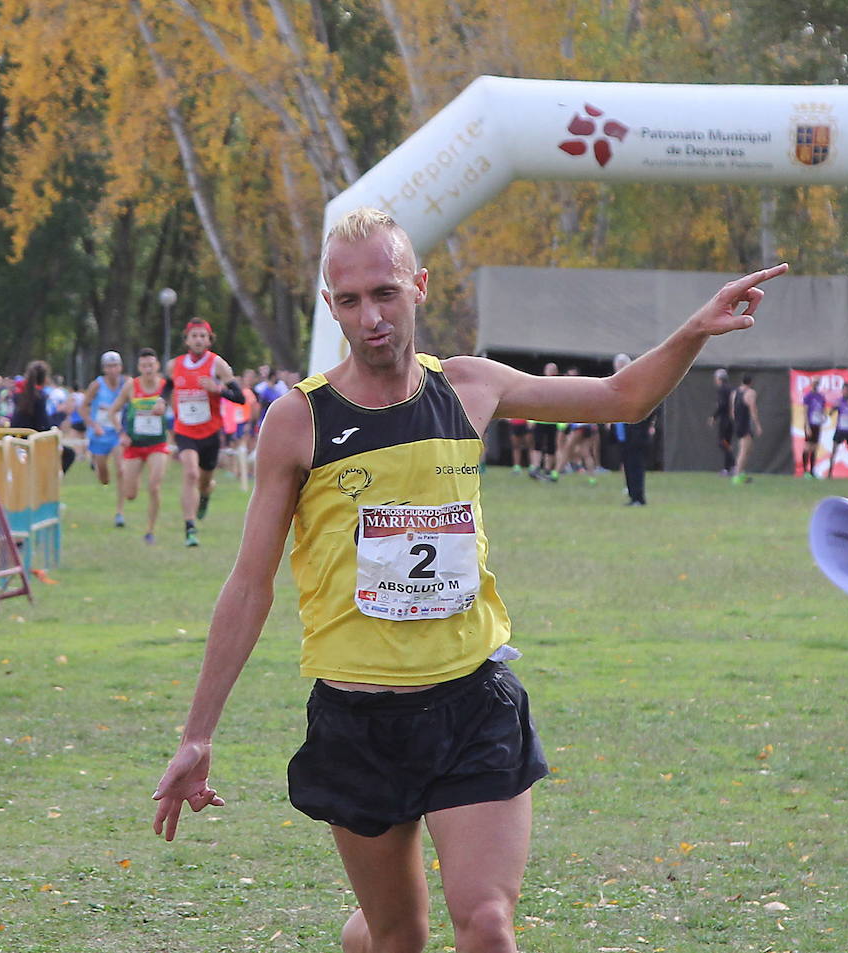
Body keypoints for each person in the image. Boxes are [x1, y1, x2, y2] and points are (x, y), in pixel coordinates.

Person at [151, 207, 787, 953]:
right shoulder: (300, 421)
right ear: (330, 305)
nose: (371, 316)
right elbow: (249, 585)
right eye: (350, 300)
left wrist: (692, 332)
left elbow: (621, 398)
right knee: (397, 938)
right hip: (358, 720)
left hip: (470, 704)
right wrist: (198, 733)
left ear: (419, 287)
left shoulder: (469, 387)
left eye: (386, 292)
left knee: (484, 923)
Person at [165, 319, 243, 547]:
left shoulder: (217, 365)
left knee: (204, 482)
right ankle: (190, 528)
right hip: (184, 430)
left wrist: (217, 389)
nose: (198, 340)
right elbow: (166, 388)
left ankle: (205, 496)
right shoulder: (174, 365)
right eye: (194, 336)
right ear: (187, 339)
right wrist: (161, 402)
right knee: (190, 474)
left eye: (203, 336)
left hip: (210, 432)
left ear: (209, 340)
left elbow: (239, 397)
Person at [109, 348, 172, 544]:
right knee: (130, 494)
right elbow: (113, 412)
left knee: (154, 486)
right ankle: (130, 490)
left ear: (157, 366)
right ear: (139, 367)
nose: (148, 369)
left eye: (151, 365)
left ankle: (150, 530)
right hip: (134, 446)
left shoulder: (165, 387)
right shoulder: (131, 386)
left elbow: (178, 413)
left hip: (158, 445)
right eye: (144, 366)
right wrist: (122, 433)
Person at [80, 351, 130, 528]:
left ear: (121, 367)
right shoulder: (97, 385)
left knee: (122, 470)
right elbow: (83, 407)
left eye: (115, 365)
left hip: (117, 433)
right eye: (109, 366)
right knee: (104, 479)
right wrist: (93, 425)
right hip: (100, 434)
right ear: (104, 369)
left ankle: (120, 512)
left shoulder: (127, 384)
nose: (113, 370)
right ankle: (97, 465)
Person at [12, 360, 76, 473]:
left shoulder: (19, 394)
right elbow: (43, 425)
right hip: (34, 441)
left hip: (16, 440)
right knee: (69, 454)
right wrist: (61, 415)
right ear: (45, 378)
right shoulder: (39, 396)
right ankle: (51, 482)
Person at [611, 353, 656, 505]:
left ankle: (638, 497)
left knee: (636, 465)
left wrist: (645, 425)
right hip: (623, 433)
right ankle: (632, 495)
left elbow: (651, 406)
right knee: (627, 464)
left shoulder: (637, 383)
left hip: (636, 433)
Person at [730, 373, 761, 484]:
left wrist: (736, 422)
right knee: (744, 451)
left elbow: (732, 411)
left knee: (747, 449)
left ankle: (740, 472)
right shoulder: (750, 393)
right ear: (751, 382)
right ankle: (737, 475)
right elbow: (753, 409)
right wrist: (757, 425)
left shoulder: (735, 393)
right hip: (745, 424)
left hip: (738, 423)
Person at [800, 377, 827, 478]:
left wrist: (823, 417)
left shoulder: (821, 397)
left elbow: (822, 410)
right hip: (810, 424)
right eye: (814, 383)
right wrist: (807, 426)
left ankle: (812, 470)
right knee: (807, 447)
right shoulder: (808, 396)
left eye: (817, 383)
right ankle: (805, 471)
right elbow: (805, 411)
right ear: (811, 384)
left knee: (814, 448)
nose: (816, 385)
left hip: (817, 424)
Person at [709, 367, 734, 474]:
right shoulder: (730, 389)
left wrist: (714, 417)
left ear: (719, 379)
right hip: (731, 420)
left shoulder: (722, 389)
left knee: (723, 442)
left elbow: (722, 405)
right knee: (726, 443)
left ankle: (733, 465)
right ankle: (728, 468)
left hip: (725, 420)